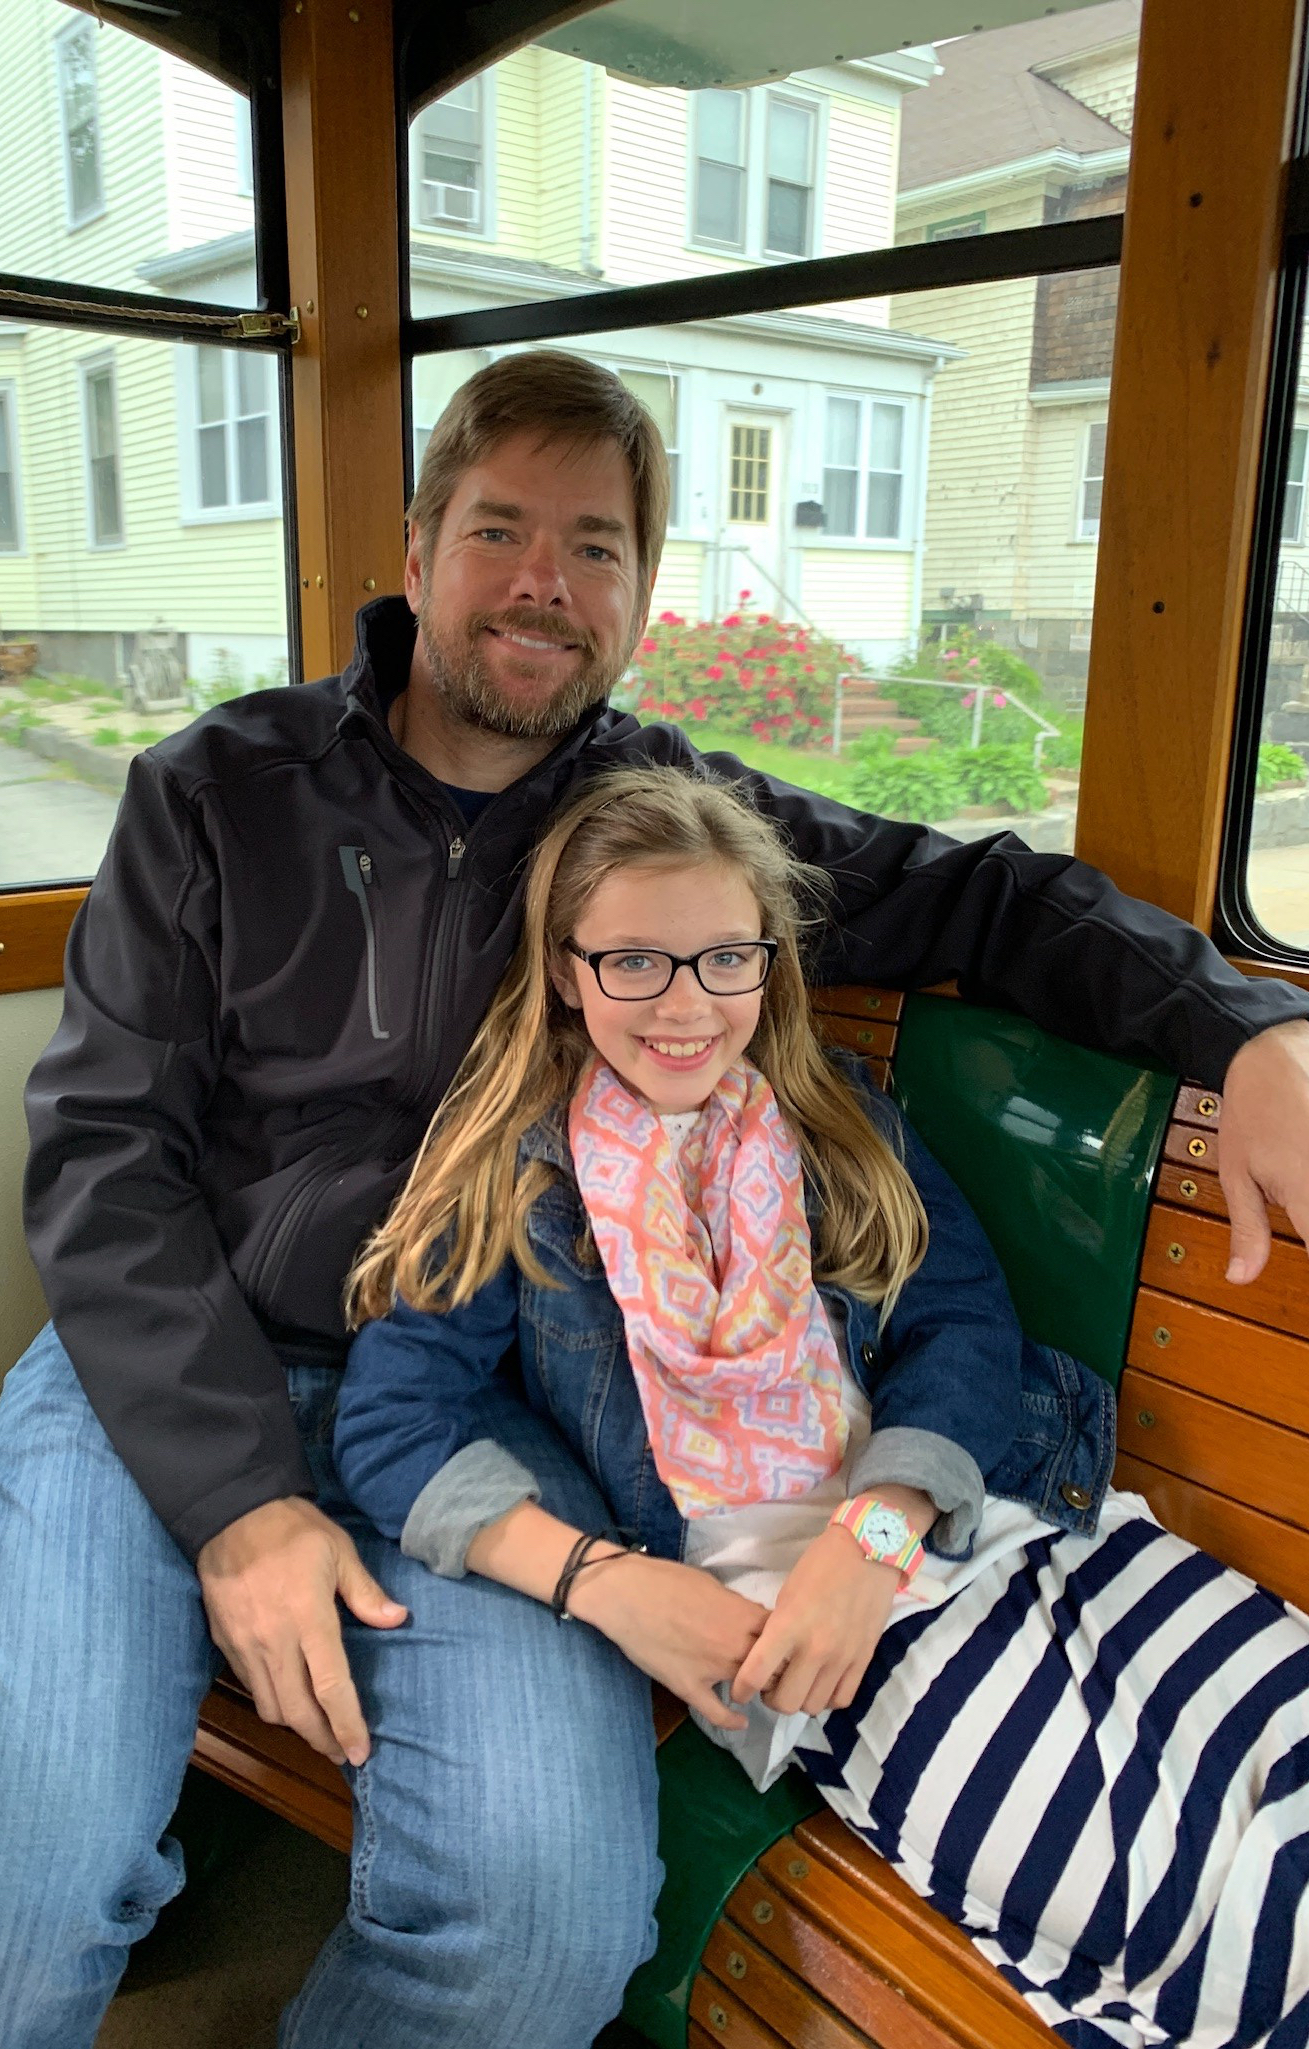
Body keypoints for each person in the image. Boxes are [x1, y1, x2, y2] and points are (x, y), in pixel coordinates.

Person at [0, 351, 1309, 2049]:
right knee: (12, 1891)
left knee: (539, 1932)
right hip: (178, 1362)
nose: (542, 581)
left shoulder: (656, 833)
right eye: (499, 530)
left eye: (595, 545)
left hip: (499, 1401)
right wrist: (239, 1502)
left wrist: (1242, 1023)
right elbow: (107, 1154)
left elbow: (981, 899)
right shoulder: (215, 793)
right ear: (417, 550)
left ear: (637, 590)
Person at [334, 765, 1309, 2047]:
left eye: (724, 959)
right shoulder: (512, 1176)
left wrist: (878, 1533)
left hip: (1011, 1510)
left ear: (769, 959)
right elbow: (393, 1426)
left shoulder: (835, 1119)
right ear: (567, 971)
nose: (686, 1005)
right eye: (635, 962)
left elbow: (962, 1325)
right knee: (1179, 1914)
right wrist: (602, 1583)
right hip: (823, 1642)